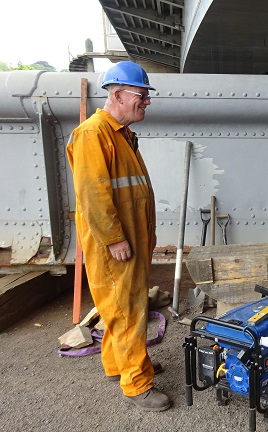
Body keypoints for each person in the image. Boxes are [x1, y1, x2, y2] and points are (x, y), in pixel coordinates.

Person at [66, 61, 170, 411]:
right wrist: (114, 239)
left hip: (131, 240)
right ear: (118, 94)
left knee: (120, 308)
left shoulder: (121, 135)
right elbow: (92, 195)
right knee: (128, 311)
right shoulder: (92, 134)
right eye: (142, 95)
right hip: (115, 246)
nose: (147, 102)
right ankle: (137, 384)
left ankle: (118, 365)